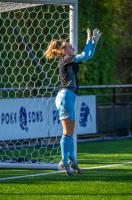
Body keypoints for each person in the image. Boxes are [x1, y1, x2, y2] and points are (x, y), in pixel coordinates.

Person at [44, 29, 102, 175]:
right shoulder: (66, 59)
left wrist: (93, 42)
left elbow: (87, 56)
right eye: (70, 46)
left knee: (69, 133)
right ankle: (64, 161)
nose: (73, 48)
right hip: (66, 96)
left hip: (67, 97)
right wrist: (89, 42)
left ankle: (73, 160)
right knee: (67, 133)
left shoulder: (69, 59)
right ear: (63, 51)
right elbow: (84, 54)